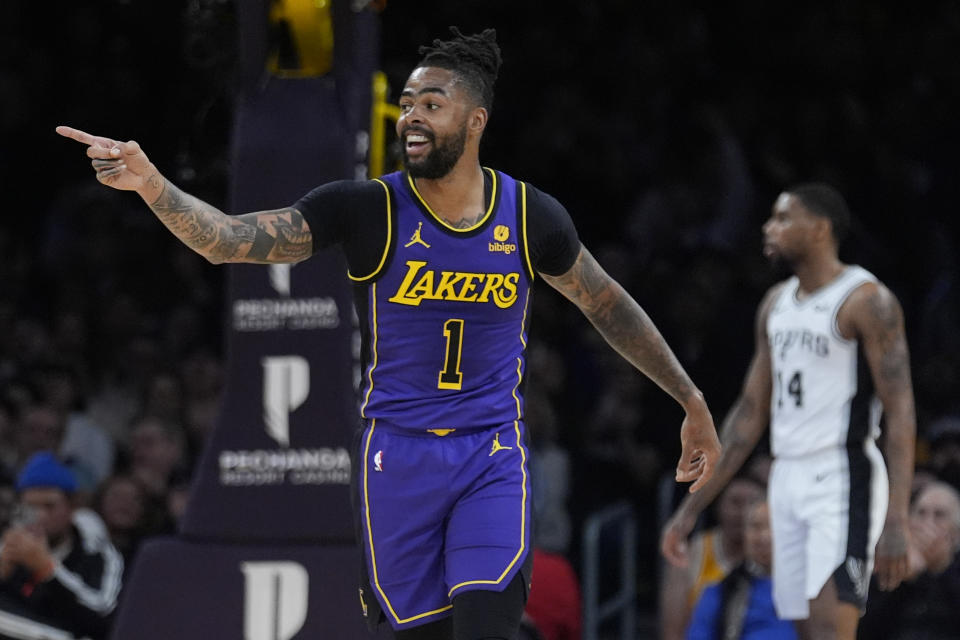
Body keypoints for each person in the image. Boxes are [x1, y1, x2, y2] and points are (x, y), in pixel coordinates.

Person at [57, 27, 721, 640]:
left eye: (431, 104)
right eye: (407, 103)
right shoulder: (367, 208)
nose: (411, 117)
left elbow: (607, 303)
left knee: (487, 620)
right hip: (396, 460)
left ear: (475, 120)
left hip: (489, 453)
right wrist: (151, 185)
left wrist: (689, 399)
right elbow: (229, 241)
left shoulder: (528, 215)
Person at [661, 184, 917, 640]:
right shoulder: (774, 306)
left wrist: (896, 516)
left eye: (782, 218)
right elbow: (747, 417)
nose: (768, 227)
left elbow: (900, 412)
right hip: (786, 476)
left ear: (819, 229)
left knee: (828, 629)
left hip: (842, 474)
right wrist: (692, 508)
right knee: (801, 629)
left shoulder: (867, 300)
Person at [0, 452, 123, 640]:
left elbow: (104, 618)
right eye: (30, 507)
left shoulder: (98, 554)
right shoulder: (8, 543)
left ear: (72, 506)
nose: (40, 516)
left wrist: (48, 570)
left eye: (49, 506)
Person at [660, 475, 763, 640]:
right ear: (718, 505)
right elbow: (672, 633)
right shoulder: (689, 556)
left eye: (752, 503)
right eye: (735, 502)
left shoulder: (776, 559)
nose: (743, 512)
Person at [857, 481, 960, 640]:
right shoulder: (886, 566)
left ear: (957, 530)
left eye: (939, 515)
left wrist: (941, 568)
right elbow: (863, 629)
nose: (928, 522)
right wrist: (904, 580)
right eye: (920, 513)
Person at [686, 497, 797, 640]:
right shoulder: (720, 592)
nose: (764, 536)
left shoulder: (811, 590)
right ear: (743, 534)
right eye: (756, 527)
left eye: (774, 526)